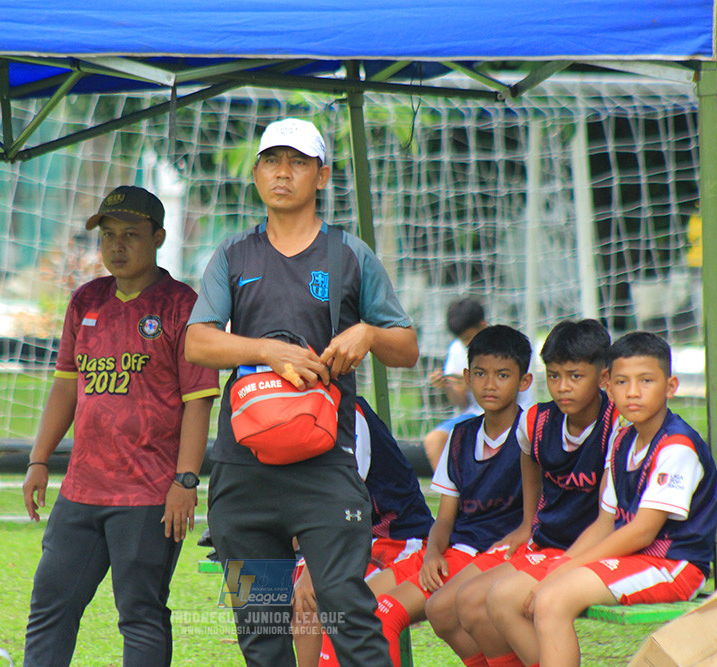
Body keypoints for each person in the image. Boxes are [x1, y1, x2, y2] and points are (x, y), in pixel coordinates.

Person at [184, 117, 418, 667]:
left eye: (296, 162)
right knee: (260, 630)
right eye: (270, 160)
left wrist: (368, 332)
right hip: (242, 470)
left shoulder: (349, 254)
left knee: (348, 613)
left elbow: (405, 347)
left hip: (324, 467)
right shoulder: (233, 254)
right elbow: (197, 343)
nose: (281, 173)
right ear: (257, 173)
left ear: (322, 175)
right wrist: (267, 351)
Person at [22, 185, 220, 666]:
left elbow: (199, 403)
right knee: (51, 606)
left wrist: (186, 481)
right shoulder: (85, 300)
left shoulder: (183, 306)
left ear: (158, 237)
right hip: (81, 491)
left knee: (140, 614)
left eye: (130, 234)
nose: (116, 246)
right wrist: (39, 460)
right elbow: (66, 388)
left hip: (149, 496)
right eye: (108, 235)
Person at [487, 331, 717, 667]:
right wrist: (563, 564)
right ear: (608, 386)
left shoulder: (677, 446)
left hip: (674, 565)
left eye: (646, 381)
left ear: (670, 387)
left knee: (552, 599)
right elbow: (605, 522)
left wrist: (564, 571)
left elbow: (641, 531)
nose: (633, 392)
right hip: (633, 558)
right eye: (623, 382)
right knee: (504, 597)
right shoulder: (622, 439)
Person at [327, 325, 531, 667]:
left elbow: (531, 518)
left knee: (383, 616)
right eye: (480, 373)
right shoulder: (460, 436)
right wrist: (434, 553)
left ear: (524, 381)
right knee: (352, 607)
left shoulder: (530, 435)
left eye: (502, 375)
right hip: (449, 550)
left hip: (492, 555)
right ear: (466, 377)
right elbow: (446, 518)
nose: (490, 384)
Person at [427, 319, 619, 667]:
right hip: (546, 542)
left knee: (498, 600)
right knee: (461, 602)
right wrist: (528, 523)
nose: (563, 387)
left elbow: (609, 520)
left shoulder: (616, 425)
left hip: (593, 547)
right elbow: (529, 458)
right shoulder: (536, 421)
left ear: (602, 378)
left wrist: (563, 565)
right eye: (555, 375)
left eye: (575, 376)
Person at [292, 396, 435, 666]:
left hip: (398, 540)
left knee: (342, 605)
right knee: (300, 602)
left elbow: (339, 507)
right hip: (348, 541)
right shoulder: (283, 412)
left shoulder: (346, 413)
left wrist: (312, 571)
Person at [425, 300, 535, 470]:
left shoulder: (508, 345)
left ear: (483, 325)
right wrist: (448, 386)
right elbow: (463, 403)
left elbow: (512, 393)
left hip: (512, 413)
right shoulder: (457, 349)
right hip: (476, 415)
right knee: (434, 440)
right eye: (462, 340)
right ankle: (456, 493)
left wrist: (475, 385)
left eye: (469, 337)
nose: (466, 344)